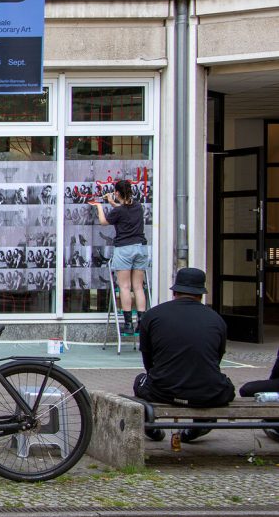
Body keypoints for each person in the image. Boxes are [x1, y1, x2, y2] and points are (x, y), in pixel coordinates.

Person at [133, 268, 235, 442]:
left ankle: (151, 428)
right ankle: (199, 425)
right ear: (201, 294)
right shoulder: (216, 319)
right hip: (207, 392)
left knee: (140, 381)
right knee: (227, 386)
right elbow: (216, 359)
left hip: (163, 390)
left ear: (174, 292)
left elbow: (148, 361)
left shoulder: (152, 316)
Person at [93, 179, 148, 334]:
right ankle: (142, 322)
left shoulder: (119, 211)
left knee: (124, 287)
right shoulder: (138, 207)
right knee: (138, 287)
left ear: (117, 193)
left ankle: (128, 324)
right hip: (141, 248)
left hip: (124, 249)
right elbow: (124, 211)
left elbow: (104, 221)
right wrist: (112, 202)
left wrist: (99, 206)